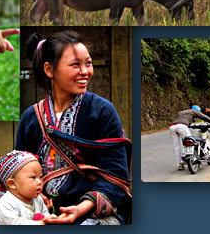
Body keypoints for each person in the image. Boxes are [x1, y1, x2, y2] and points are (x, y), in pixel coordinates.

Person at [17, 31, 131, 225]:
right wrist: (36, 197)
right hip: (42, 212)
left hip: (93, 213)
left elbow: (116, 175)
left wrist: (82, 208)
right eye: (75, 65)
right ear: (49, 70)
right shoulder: (31, 118)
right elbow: (20, 172)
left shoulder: (102, 111)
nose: (85, 71)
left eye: (88, 63)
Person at [0, 150, 52, 225]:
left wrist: (51, 220)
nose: (39, 182)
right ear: (12, 184)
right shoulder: (6, 203)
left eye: (40, 177)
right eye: (33, 177)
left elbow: (45, 215)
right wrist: (41, 223)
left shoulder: (37, 199)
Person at [170, 105, 210, 170]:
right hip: (182, 126)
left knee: (176, 146)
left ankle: (179, 165)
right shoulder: (193, 111)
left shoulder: (181, 112)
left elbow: (182, 120)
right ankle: (187, 157)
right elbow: (204, 117)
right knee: (190, 142)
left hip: (172, 127)